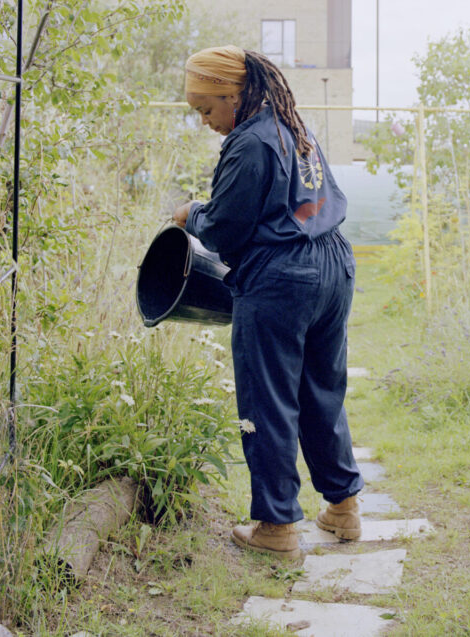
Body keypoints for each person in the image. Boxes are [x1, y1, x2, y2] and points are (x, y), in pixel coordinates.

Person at [172, 45, 363, 560]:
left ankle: (276, 529)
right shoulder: (293, 128)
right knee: (321, 390)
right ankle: (343, 510)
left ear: (234, 95)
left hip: (282, 279)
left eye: (207, 109)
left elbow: (227, 230)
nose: (206, 121)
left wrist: (192, 213)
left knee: (268, 399)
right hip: (333, 265)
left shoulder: (249, 142)